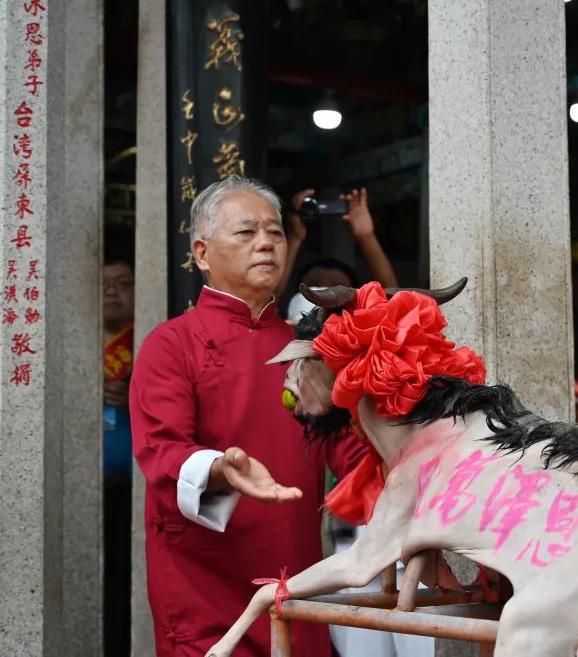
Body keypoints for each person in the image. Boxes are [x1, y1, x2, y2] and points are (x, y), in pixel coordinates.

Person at [130, 177, 367, 656]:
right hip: (204, 588)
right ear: (201, 253)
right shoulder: (172, 343)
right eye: (246, 232)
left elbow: (352, 453)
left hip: (295, 580)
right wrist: (221, 468)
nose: (265, 243)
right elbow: (162, 451)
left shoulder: (306, 351)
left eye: (275, 232)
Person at [276, 186, 398, 308]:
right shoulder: (285, 325)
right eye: (314, 286)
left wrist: (366, 237)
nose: (326, 293)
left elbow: (393, 301)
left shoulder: (361, 324)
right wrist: (295, 238)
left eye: (337, 287)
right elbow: (266, 301)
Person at [103, 243, 135, 657]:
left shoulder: (150, 345)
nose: (112, 293)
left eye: (123, 284)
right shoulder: (74, 348)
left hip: (132, 490)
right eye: (104, 284)